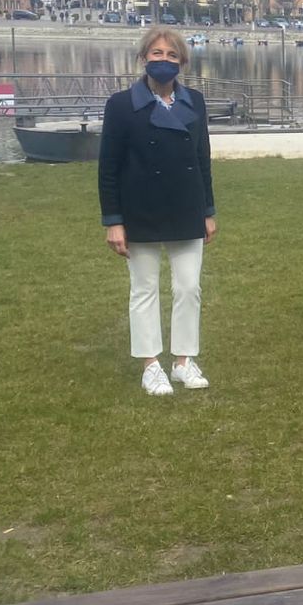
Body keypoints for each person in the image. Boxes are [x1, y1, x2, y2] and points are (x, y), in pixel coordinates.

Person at [98, 27, 216, 396]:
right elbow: (108, 167)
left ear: (182, 62)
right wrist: (113, 221)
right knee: (144, 289)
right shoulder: (121, 105)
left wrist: (208, 210)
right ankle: (151, 365)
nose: (164, 60)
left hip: (187, 207)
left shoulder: (195, 102)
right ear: (143, 58)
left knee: (189, 288)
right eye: (157, 53)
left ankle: (183, 361)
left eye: (172, 55)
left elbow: (202, 158)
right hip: (140, 210)